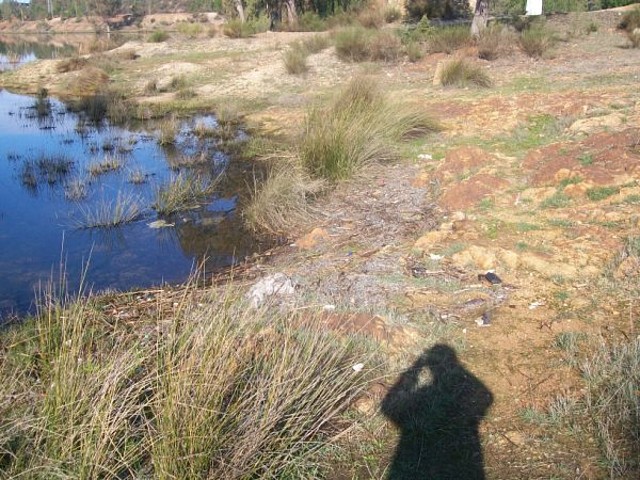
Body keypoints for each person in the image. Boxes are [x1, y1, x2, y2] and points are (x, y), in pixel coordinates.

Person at [381, 344, 493, 479]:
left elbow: (388, 407)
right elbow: (486, 396)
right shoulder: (437, 393)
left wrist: (414, 371)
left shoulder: (424, 395)